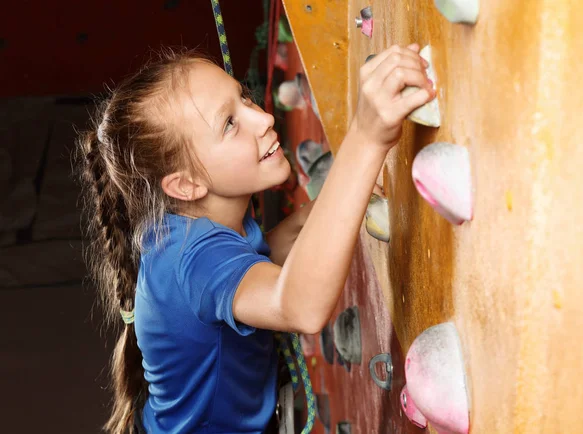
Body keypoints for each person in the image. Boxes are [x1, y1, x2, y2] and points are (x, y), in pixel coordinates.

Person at [78, 43, 435, 433]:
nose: (262, 118)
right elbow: (300, 307)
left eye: (243, 96)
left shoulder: (187, 222)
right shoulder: (192, 257)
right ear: (185, 184)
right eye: (230, 123)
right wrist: (367, 136)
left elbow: (255, 257)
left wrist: (318, 212)